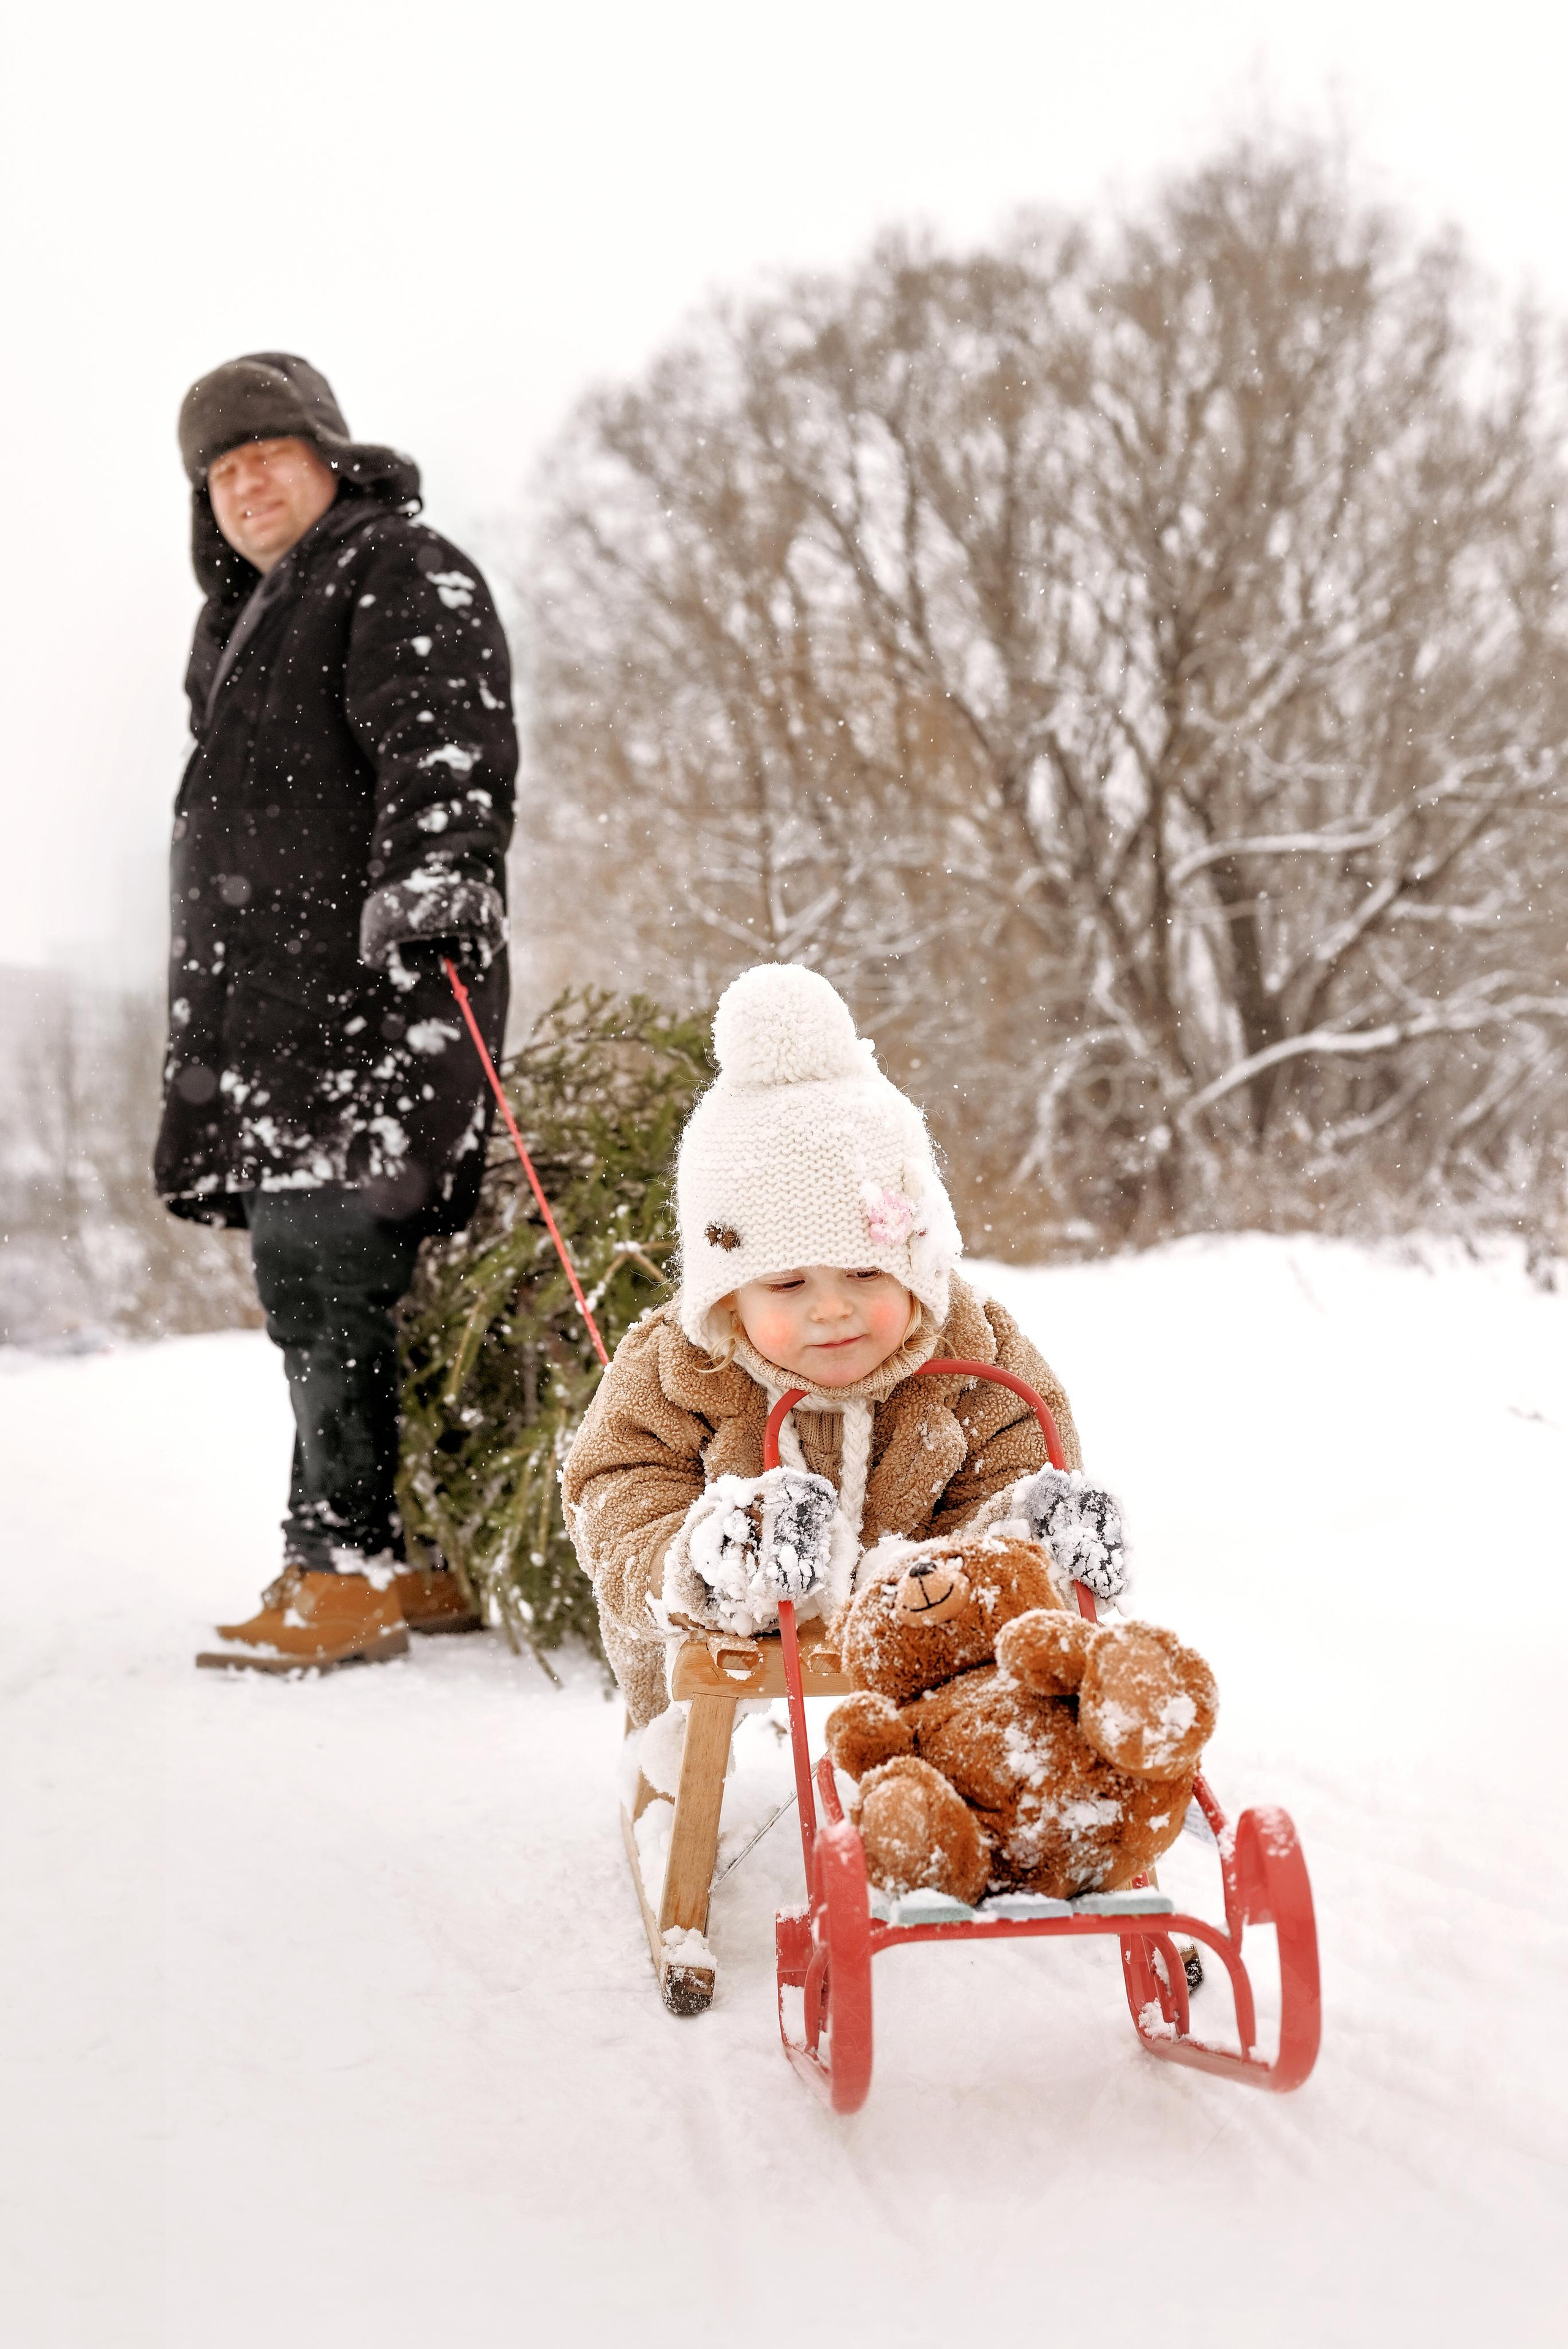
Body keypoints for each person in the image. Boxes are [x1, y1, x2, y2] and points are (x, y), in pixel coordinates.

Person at [159, 352, 518, 1671]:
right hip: (280, 1020)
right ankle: (405, 1554)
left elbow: (443, 739)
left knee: (326, 1279)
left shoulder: (392, 569)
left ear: (331, 457)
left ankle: (344, 1565)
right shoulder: (251, 621)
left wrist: (434, 885)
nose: (248, 482)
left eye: (269, 453)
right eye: (222, 468)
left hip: (370, 1000)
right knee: (346, 1284)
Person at [562, 963, 1129, 1737]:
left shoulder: (975, 1352)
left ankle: (981, 1779)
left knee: (1014, 1638)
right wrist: (702, 1562)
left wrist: (1024, 1532)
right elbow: (614, 1496)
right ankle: (668, 1771)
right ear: (729, 1296)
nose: (831, 1309)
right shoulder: (680, 1369)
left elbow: (1020, 1454)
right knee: (652, 1629)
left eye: (866, 1272)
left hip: (927, 1614)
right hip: (729, 1622)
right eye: (788, 1284)